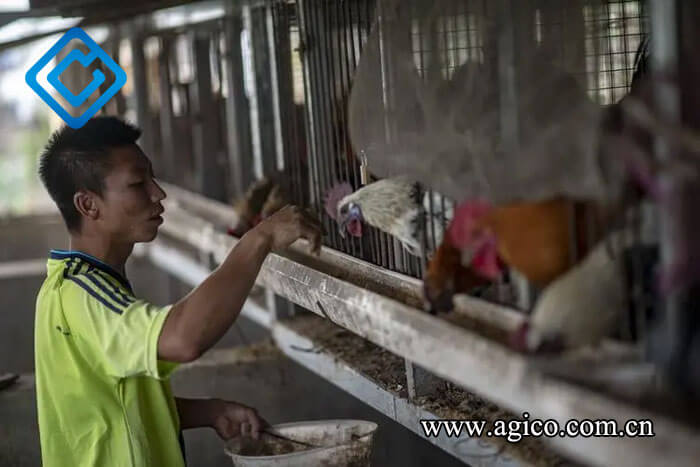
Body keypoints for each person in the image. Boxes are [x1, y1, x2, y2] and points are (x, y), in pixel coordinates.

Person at [34, 116, 322, 467]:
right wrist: (258, 239)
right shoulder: (85, 292)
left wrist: (209, 412)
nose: (158, 193)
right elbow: (181, 339)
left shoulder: (68, 286)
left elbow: (106, 407)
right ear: (88, 205)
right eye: (139, 183)